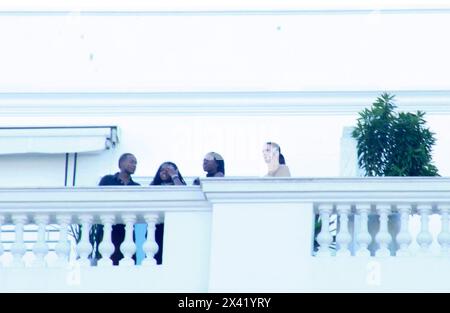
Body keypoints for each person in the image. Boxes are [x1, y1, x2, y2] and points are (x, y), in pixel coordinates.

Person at [97, 153, 140, 265]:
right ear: (121, 163)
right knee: (107, 260)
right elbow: (99, 199)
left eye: (135, 163)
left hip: (127, 229)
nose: (134, 165)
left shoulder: (136, 187)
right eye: (131, 161)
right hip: (108, 226)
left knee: (127, 260)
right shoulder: (107, 180)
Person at [149, 162, 186, 264]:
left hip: (175, 225)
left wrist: (174, 176)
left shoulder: (179, 184)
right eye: (162, 170)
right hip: (157, 226)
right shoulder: (153, 186)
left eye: (168, 170)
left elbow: (184, 194)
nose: (164, 172)